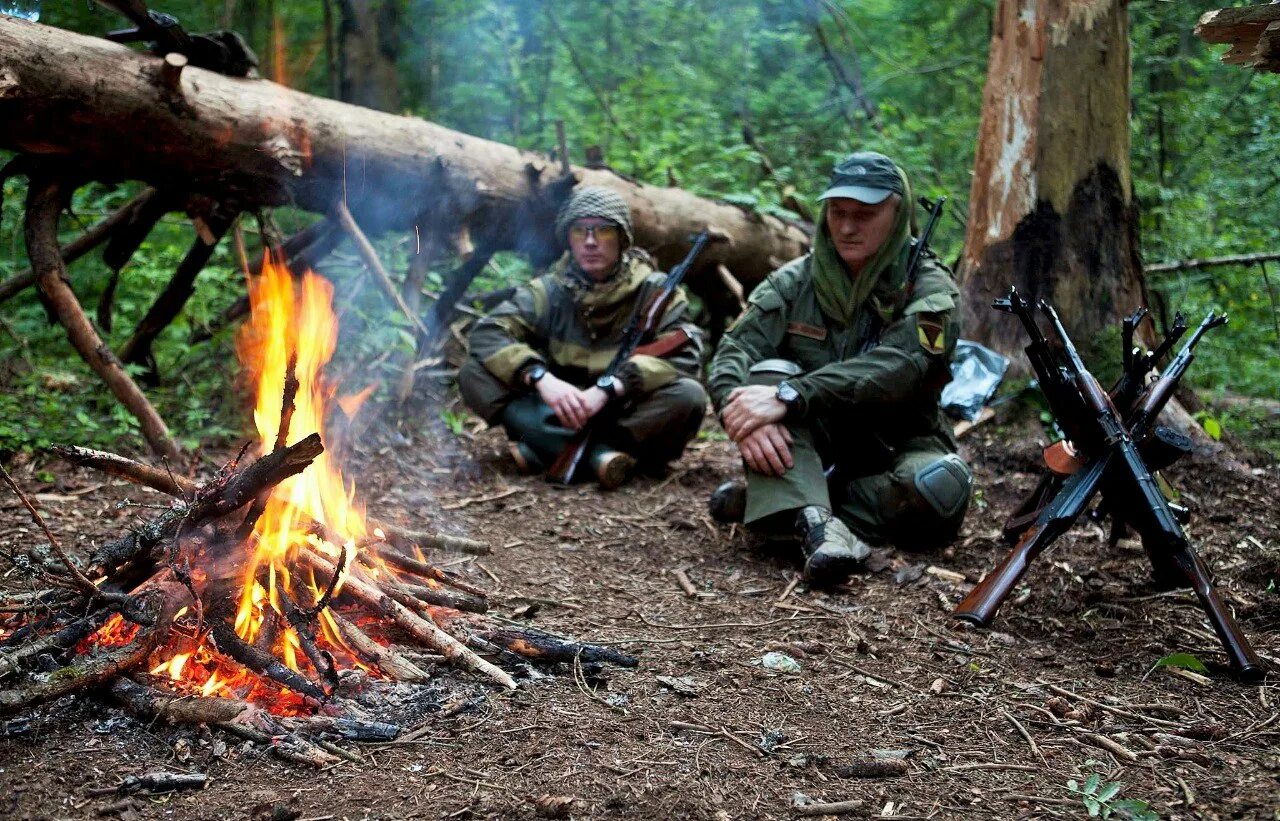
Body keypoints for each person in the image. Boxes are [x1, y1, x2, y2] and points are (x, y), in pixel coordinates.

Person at [706, 152, 971, 585]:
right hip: (815, 439)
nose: (847, 228)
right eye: (837, 213)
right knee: (767, 374)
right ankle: (813, 522)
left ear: (898, 212)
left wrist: (793, 394)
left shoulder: (930, 289)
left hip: (900, 439)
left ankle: (784, 506)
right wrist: (740, 413)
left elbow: (904, 365)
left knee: (940, 488)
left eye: (864, 215)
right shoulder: (795, 281)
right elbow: (736, 349)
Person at [459, 186, 708, 489]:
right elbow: (488, 332)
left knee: (689, 396)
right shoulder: (547, 290)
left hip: (625, 409)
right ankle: (601, 458)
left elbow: (686, 354)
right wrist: (539, 378)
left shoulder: (654, 292)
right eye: (580, 232)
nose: (590, 242)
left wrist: (612, 387)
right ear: (569, 240)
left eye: (602, 231)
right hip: (557, 408)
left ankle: (544, 448)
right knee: (474, 373)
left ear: (621, 238)